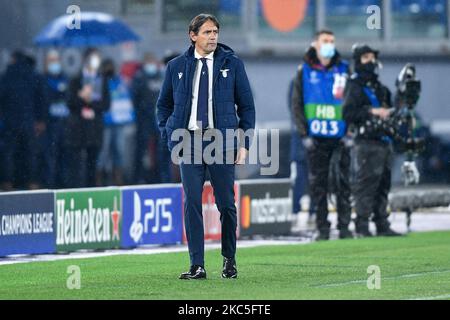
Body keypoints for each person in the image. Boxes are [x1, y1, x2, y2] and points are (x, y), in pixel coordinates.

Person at [157, 14, 255, 280]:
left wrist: (244, 143)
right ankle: (197, 265)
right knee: (192, 204)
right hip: (188, 142)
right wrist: (170, 136)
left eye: (216, 32)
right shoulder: (176, 66)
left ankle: (229, 259)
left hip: (221, 142)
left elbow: (246, 107)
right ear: (193, 35)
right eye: (208, 32)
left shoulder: (232, 64)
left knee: (226, 204)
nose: (213, 36)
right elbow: (163, 106)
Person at [291, 30, 352, 240]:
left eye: (332, 41)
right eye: (325, 41)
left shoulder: (344, 70)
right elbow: (296, 104)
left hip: (340, 137)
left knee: (344, 183)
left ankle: (344, 227)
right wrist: (303, 134)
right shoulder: (304, 70)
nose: (329, 44)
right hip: (316, 139)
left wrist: (350, 132)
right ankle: (323, 228)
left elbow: (354, 102)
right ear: (315, 44)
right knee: (319, 185)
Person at [342, 44, 402, 237]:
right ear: (358, 61)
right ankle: (362, 226)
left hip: (383, 141)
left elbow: (392, 110)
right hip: (366, 142)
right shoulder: (354, 86)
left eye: (372, 57)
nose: (371, 61)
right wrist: (372, 111)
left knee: (383, 185)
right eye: (366, 57)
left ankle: (382, 224)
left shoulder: (379, 87)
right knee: (366, 186)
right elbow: (347, 113)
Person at [0, 51, 47, 191]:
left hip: (10, 122)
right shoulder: (34, 76)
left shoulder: (6, 76)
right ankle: (32, 182)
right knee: (30, 153)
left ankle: (7, 182)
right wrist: (41, 120)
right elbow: (42, 99)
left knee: (9, 153)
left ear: (13, 59)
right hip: (29, 121)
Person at [66, 48, 110, 188]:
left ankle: (91, 189)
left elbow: (106, 104)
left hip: (95, 129)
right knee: (77, 164)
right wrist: (81, 97)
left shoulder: (102, 80)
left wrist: (90, 101)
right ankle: (75, 189)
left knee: (92, 163)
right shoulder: (75, 80)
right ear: (85, 60)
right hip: (78, 129)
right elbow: (70, 103)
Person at [96, 58, 136, 186]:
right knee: (103, 152)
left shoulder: (120, 81)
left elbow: (126, 99)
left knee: (119, 152)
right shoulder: (99, 81)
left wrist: (131, 117)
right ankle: (100, 181)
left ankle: (118, 181)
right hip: (104, 123)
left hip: (119, 122)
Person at [131, 52, 163, 184]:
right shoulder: (139, 78)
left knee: (159, 151)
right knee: (141, 149)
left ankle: (159, 177)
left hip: (158, 120)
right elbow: (135, 98)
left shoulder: (160, 77)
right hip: (144, 119)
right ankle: (139, 177)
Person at [43, 49, 70, 189]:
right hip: (49, 124)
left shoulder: (64, 77)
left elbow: (67, 97)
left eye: (56, 60)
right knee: (50, 156)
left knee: (64, 155)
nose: (54, 63)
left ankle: (63, 184)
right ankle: (50, 185)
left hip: (64, 123)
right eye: (51, 61)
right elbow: (43, 100)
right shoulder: (43, 79)